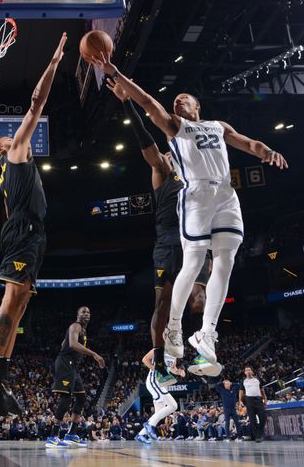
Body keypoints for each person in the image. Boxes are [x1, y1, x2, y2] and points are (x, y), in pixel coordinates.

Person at [95, 56, 288, 364]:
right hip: (194, 199)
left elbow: (250, 143)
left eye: (184, 98)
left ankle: (207, 333)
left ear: (198, 105)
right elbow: (147, 103)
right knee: (194, 262)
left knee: (225, 261)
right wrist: (117, 74)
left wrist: (267, 151)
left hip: (225, 194)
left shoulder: (218, 126)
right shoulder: (175, 130)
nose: (179, 101)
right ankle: (172, 330)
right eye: (176, 100)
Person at [0, 33, 67, 416]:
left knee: (22, 304)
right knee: (12, 300)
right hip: (24, 231)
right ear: (2, 149)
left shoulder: (15, 166)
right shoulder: (13, 154)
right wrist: (54, 64)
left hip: (33, 233)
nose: (17, 135)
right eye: (8, 137)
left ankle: (0, 375)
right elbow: (36, 103)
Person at [108, 84, 213, 384]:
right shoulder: (163, 170)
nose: (169, 154)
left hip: (195, 238)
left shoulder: (197, 166)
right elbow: (145, 141)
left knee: (198, 298)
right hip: (167, 241)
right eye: (168, 153)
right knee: (162, 305)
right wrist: (127, 103)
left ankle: (203, 349)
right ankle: (160, 358)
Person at [45, 306, 105, 448]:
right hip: (65, 364)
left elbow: (64, 343)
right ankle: (52, 436)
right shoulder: (75, 326)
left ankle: (71, 434)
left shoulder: (82, 330)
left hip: (72, 366)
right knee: (66, 399)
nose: (86, 314)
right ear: (77, 314)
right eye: (83, 312)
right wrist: (94, 354)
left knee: (81, 397)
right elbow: (72, 344)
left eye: (88, 312)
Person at [135, 348, 184, 445]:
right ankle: (149, 425)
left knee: (158, 414)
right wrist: (155, 368)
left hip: (162, 384)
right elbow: (145, 359)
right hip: (154, 381)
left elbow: (172, 368)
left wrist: (179, 372)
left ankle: (140, 435)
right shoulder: (158, 349)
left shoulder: (174, 354)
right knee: (174, 406)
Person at [239, 366, 267, 442]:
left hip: (258, 399)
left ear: (252, 371)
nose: (247, 371)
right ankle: (257, 436)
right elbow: (241, 391)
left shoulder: (257, 379)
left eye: (249, 370)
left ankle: (260, 432)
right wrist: (240, 401)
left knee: (263, 417)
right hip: (249, 400)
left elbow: (262, 390)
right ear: (244, 372)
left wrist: (265, 399)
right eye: (246, 370)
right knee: (252, 419)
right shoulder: (243, 381)